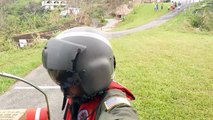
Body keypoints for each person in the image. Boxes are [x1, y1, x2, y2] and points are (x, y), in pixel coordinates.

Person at [42, 27, 138, 120]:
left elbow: (121, 115)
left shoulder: (114, 103)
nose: (62, 86)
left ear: (92, 76)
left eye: (67, 78)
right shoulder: (78, 95)